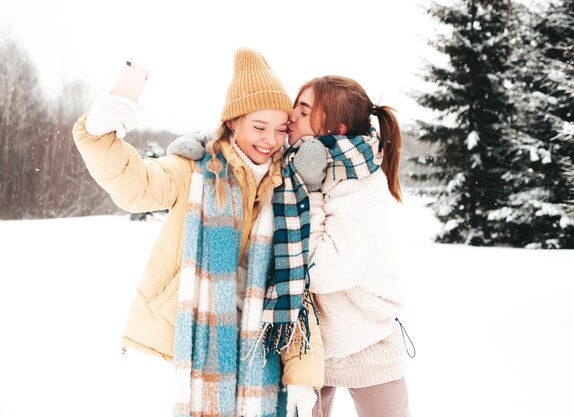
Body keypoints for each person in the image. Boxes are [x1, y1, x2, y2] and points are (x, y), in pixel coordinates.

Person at [71, 48, 323, 417]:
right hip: (189, 341)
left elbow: (298, 289)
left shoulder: (289, 192)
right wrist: (98, 135)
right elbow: (136, 185)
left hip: (258, 348)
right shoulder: (192, 172)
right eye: (258, 127)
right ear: (233, 122)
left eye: (280, 129)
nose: (270, 140)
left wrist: (304, 372)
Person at [284, 75, 411, 417]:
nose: (291, 115)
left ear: (337, 129)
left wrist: (310, 193)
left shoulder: (360, 183)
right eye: (295, 104)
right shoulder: (292, 168)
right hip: (308, 349)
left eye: (304, 110)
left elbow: (325, 271)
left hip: (365, 342)